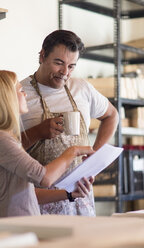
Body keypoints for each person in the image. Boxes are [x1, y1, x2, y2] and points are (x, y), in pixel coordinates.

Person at [21, 30, 119, 216]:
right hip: (40, 200)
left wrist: (94, 156)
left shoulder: (81, 88)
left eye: (72, 66)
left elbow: (112, 115)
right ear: (42, 56)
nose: (65, 73)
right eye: (59, 63)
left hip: (80, 196)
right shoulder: (19, 94)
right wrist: (38, 132)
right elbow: (7, 150)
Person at [0, 70, 95, 218]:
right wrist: (74, 151)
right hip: (14, 229)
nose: (25, 94)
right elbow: (45, 178)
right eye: (20, 90)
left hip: (21, 226)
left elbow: (29, 194)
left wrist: (69, 194)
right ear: (7, 98)